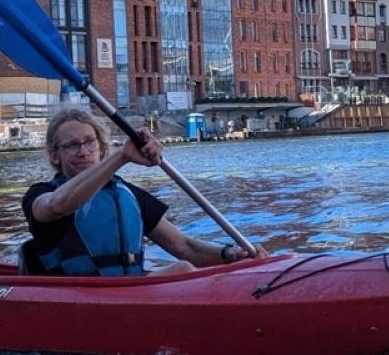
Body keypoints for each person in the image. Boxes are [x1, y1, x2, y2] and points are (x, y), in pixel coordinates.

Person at [21, 106, 268, 276]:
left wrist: (231, 254)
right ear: (55, 155)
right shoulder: (40, 195)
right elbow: (57, 205)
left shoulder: (126, 193)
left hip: (130, 291)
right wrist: (122, 156)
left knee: (183, 267)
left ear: (101, 145)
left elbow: (185, 247)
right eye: (72, 145)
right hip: (77, 296)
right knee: (181, 270)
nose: (84, 151)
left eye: (89, 141)